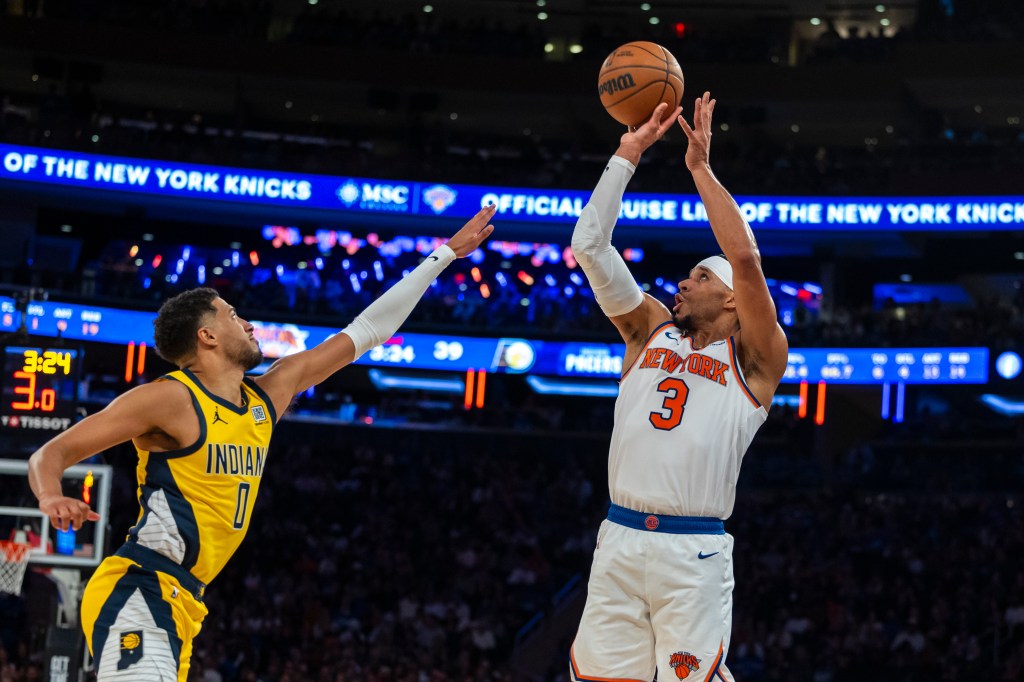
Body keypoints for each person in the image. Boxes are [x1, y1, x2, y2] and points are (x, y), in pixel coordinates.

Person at [27, 205, 496, 681]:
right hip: (139, 587)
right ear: (206, 336)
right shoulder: (169, 398)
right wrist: (50, 496)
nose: (248, 323)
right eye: (233, 315)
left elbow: (369, 331)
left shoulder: (267, 394)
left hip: (184, 601)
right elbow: (51, 452)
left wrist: (443, 257)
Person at [568, 94, 789, 681]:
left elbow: (744, 257)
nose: (683, 285)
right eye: (687, 276)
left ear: (733, 299)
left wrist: (699, 169)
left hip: (692, 552)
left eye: (699, 277)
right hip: (617, 536)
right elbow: (589, 248)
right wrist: (625, 156)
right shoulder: (648, 330)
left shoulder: (757, 360)